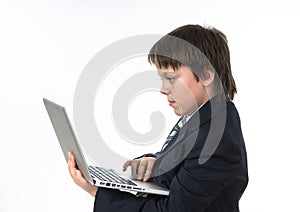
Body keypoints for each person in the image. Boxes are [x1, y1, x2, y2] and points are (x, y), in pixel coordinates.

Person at [68, 24, 248, 211]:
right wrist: (158, 163)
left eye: (171, 78)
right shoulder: (205, 117)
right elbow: (187, 160)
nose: (163, 89)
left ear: (206, 75)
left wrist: (98, 192)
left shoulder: (214, 142)